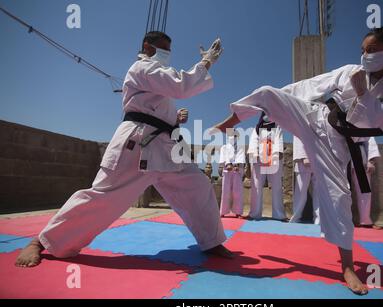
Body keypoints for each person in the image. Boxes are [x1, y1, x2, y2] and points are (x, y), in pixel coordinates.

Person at [212, 26, 383, 294]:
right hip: (316, 117)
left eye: (370, 50)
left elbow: (381, 123)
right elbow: (309, 86)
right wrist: (280, 102)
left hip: (340, 142)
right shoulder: (349, 71)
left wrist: (364, 95)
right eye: (362, 50)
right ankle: (227, 123)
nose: (364, 55)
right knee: (267, 93)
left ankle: (347, 266)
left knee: (339, 197)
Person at [16, 31, 233, 268]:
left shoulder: (155, 75)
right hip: (137, 144)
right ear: (147, 47)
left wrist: (174, 119)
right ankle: (40, 242)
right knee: (104, 197)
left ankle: (210, 241)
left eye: (169, 49)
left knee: (198, 186)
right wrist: (206, 62)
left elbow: (157, 107)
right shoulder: (143, 68)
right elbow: (180, 86)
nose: (167, 54)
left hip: (167, 145)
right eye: (163, 48)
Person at [247, 114, 286, 221]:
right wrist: (254, 154)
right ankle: (255, 213)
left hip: (274, 159)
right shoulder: (257, 128)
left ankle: (279, 214)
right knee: (256, 186)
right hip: (259, 158)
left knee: (277, 186)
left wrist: (278, 152)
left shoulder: (277, 126)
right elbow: (253, 141)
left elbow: (279, 139)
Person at [290, 136, 320, 224]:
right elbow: (297, 137)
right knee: (300, 191)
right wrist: (303, 156)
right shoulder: (299, 122)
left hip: (318, 158)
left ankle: (319, 219)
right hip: (303, 160)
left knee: (319, 191)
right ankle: (296, 217)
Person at [352, 137, 380, 228]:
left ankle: (365, 221)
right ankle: (341, 220)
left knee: (364, 191)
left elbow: (369, 140)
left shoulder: (365, 123)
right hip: (340, 154)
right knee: (340, 190)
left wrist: (370, 161)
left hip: (359, 155)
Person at [218, 131, 245, 217]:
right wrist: (227, 164)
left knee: (237, 192)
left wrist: (237, 165)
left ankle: (238, 212)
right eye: (231, 135)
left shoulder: (240, 147)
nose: (233, 137)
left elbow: (241, 157)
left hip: (237, 171)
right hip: (227, 170)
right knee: (225, 192)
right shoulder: (224, 147)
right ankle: (223, 211)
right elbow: (223, 157)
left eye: (234, 135)